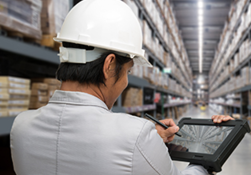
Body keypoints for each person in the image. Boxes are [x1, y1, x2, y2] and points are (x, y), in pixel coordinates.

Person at [10, 0, 233, 174]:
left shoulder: (21, 126)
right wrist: (205, 159)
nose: (126, 82)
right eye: (127, 72)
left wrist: (148, 142)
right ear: (109, 65)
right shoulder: (135, 137)